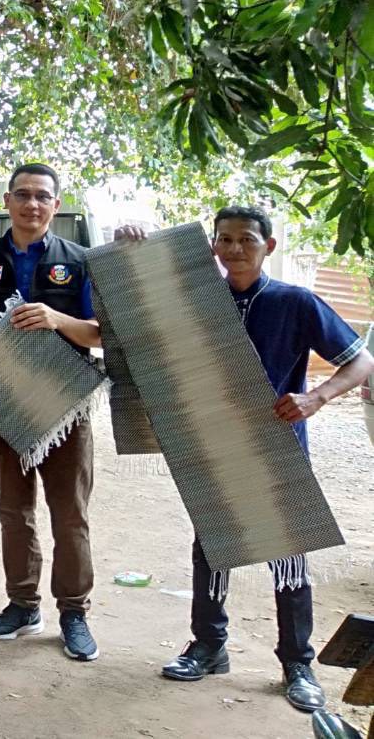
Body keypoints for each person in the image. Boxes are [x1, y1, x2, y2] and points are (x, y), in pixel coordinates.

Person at [120, 207, 374, 712]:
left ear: (269, 246)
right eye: (226, 240)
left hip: (278, 445)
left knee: (287, 553)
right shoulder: (196, 302)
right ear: (213, 245)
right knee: (212, 547)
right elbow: (135, 309)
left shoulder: (295, 301)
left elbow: (362, 362)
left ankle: (296, 664)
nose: (236, 249)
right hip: (211, 445)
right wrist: (134, 246)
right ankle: (209, 647)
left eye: (247, 240)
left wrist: (315, 398)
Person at [0, 162, 102, 662]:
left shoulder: (80, 261)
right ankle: (22, 604)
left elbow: (99, 332)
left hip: (66, 406)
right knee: (14, 511)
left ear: (56, 205)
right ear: (7, 201)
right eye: (23, 195)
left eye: (43, 196)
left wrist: (55, 318)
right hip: (5, 405)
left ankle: (74, 613)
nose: (32, 204)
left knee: (70, 515)